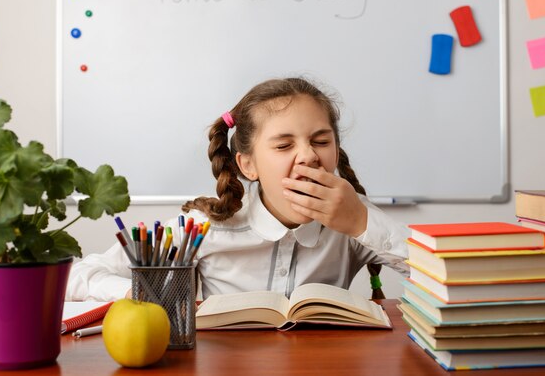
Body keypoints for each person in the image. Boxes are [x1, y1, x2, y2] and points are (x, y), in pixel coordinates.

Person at [66, 77, 410, 301]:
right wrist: (142, 293)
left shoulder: (353, 218)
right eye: (283, 145)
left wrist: (362, 224)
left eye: (320, 141)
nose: (308, 155)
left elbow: (451, 277)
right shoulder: (204, 229)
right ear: (248, 164)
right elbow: (76, 275)